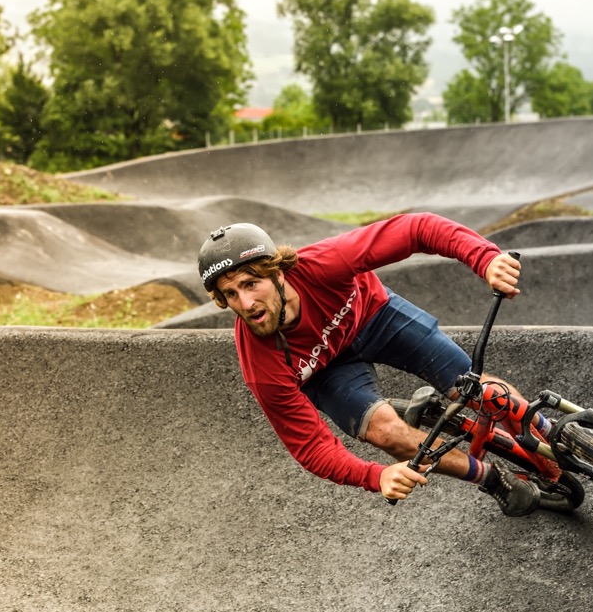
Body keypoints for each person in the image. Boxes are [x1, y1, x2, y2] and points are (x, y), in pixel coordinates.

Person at [196, 214, 541, 516]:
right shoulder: (261, 365)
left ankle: (549, 431)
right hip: (328, 372)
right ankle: (490, 477)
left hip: (374, 316)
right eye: (231, 294)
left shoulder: (323, 263)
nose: (246, 303)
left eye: (251, 284)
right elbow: (311, 447)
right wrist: (377, 476)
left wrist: (485, 259)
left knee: (480, 391)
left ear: (278, 274)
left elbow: (416, 229)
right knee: (386, 432)